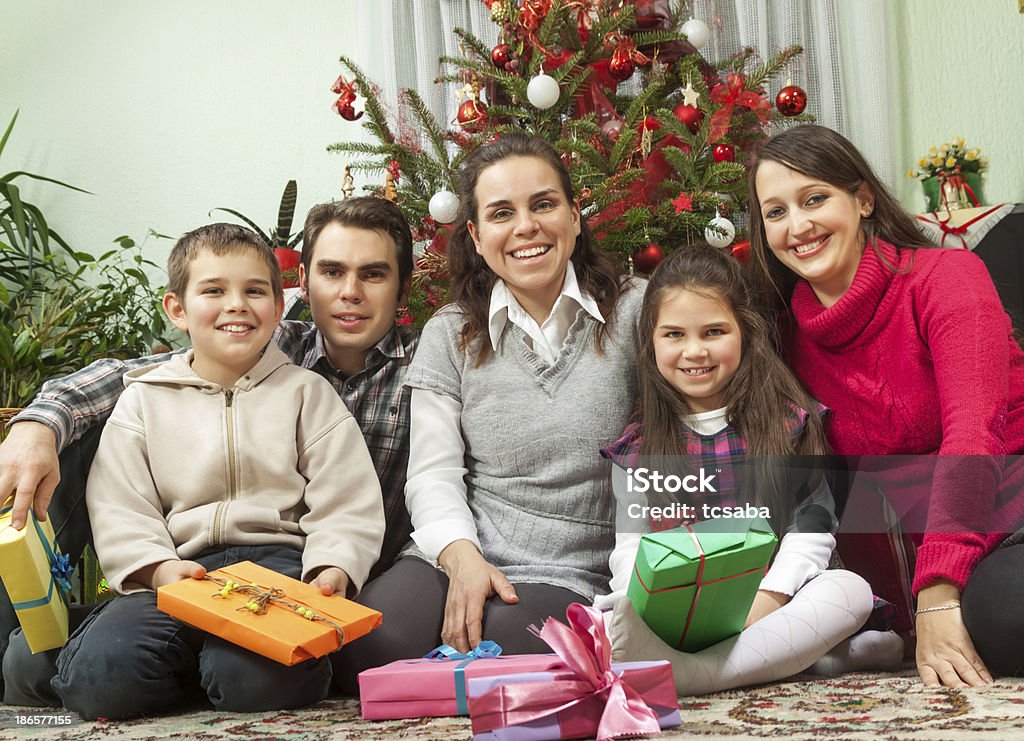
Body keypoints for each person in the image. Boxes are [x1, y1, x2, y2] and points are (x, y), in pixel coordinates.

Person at [0, 197, 418, 694]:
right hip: (177, 566)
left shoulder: (313, 389)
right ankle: (113, 651)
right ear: (302, 284)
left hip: (280, 567)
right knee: (102, 680)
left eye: (373, 274)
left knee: (257, 683)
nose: (236, 304)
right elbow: (121, 504)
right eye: (332, 272)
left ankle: (189, 667)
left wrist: (333, 567)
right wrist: (155, 567)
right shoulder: (149, 394)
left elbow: (346, 502)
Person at [332, 133, 645, 689]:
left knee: (510, 660)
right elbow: (432, 473)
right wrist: (462, 559)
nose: (526, 227)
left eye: (543, 205)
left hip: (571, 563)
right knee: (367, 648)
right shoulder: (450, 332)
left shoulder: (638, 311)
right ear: (476, 236)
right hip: (460, 547)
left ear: (575, 216)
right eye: (502, 213)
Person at [747, 123, 1024, 687]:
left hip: (1008, 516)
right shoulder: (777, 334)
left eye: (815, 198)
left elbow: (973, 435)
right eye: (775, 213)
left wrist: (938, 596)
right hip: (902, 568)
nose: (797, 226)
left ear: (864, 199)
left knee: (1004, 616)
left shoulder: (947, 278)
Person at [597, 244, 899, 694]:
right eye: (674, 334)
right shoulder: (639, 447)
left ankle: (696, 674)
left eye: (714, 331)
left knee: (848, 589)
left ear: (745, 332)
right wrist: (647, 609)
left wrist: (768, 599)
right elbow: (631, 546)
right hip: (681, 609)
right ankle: (816, 657)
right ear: (650, 342)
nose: (694, 351)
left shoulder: (786, 421)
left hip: (777, 598)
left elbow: (812, 527)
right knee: (608, 622)